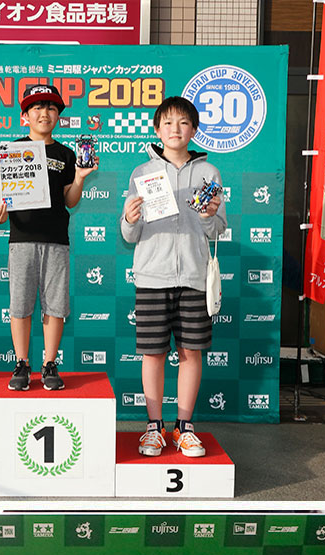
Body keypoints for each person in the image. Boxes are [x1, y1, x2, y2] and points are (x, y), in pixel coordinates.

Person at [120, 96, 226, 457]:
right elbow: (129, 234)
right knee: (153, 354)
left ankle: (184, 426)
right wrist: (130, 218)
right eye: (167, 122)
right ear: (157, 129)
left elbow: (218, 229)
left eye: (183, 123)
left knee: (190, 352)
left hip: (194, 276)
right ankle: (154, 427)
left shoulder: (210, 174)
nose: (175, 129)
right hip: (152, 276)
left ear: (194, 130)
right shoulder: (142, 173)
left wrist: (209, 216)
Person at [0, 84, 97, 391]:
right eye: (36, 107)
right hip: (21, 239)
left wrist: (79, 178)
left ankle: (50, 363)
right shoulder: (11, 151)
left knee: (55, 305)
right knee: (20, 304)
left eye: (51, 107)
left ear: (58, 116)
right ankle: (21, 363)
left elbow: (70, 200)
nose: (44, 113)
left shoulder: (66, 154)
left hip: (56, 240)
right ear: (24, 116)